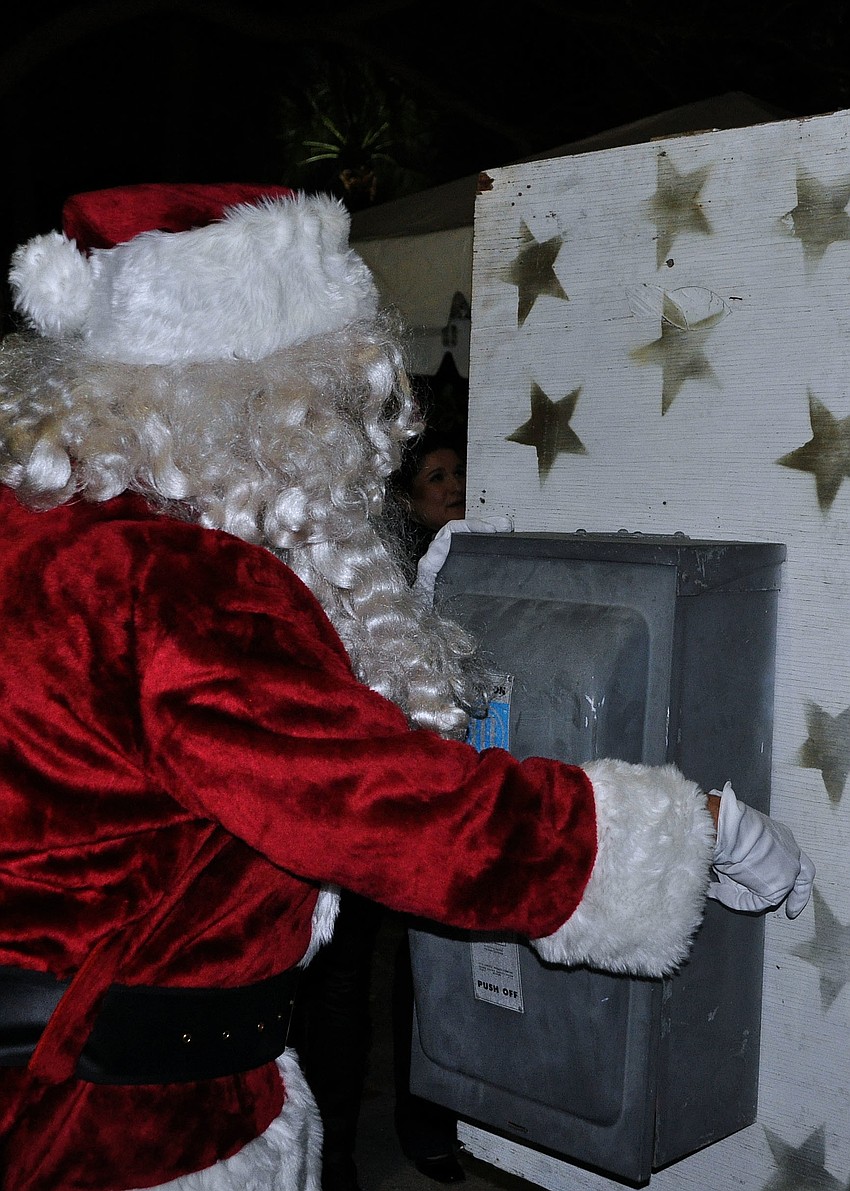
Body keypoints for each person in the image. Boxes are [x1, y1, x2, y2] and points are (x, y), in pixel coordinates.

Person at [0, 183, 814, 1191]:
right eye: (329, 400)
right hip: (115, 1126)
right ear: (255, 399)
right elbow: (382, 811)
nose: (349, 445)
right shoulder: (179, 578)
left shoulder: (40, 538)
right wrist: (685, 827)